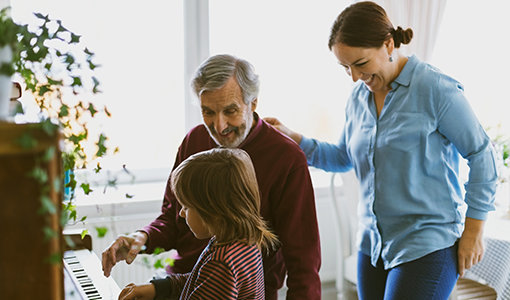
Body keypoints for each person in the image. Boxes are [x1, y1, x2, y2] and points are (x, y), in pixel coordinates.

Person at [264, 2, 498, 300]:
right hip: (372, 246)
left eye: (360, 64)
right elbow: (343, 157)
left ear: (388, 44)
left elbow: (483, 155)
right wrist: (293, 138)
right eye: (345, 67)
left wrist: (474, 230)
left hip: (427, 243)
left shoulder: (434, 89)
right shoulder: (358, 99)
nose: (353, 76)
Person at [102, 54, 322, 300]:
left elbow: (304, 262)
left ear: (253, 102)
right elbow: (174, 216)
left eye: (230, 111)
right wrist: (142, 237)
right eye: (208, 112)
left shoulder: (286, 157)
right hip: (185, 281)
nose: (219, 126)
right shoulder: (194, 141)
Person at [117, 148, 280, 300]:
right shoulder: (242, 243)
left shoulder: (222, 262)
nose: (181, 213)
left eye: (187, 207)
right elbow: (198, 279)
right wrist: (154, 288)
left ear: (215, 211)